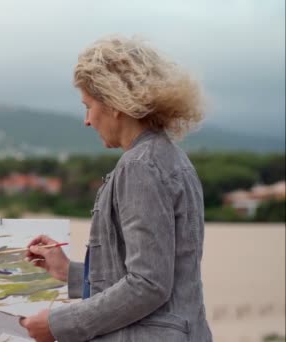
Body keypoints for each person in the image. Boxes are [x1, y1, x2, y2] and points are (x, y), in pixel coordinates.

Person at [19, 35, 213, 341]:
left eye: (89, 106)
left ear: (114, 104)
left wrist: (58, 324)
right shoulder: (170, 158)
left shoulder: (141, 166)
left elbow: (148, 284)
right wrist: (68, 271)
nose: (86, 120)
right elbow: (156, 276)